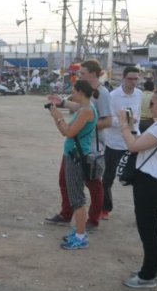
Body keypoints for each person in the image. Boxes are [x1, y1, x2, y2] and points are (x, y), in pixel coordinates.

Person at [119, 88, 157, 288]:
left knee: (148, 229)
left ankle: (147, 276)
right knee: (151, 227)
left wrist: (124, 126)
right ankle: (154, 268)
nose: (149, 106)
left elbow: (133, 146)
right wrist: (133, 127)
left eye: (152, 102)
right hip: (153, 181)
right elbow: (141, 143)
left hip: (151, 182)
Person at [45, 60, 111, 231]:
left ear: (94, 73)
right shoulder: (87, 98)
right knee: (66, 182)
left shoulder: (102, 94)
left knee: (92, 186)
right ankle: (66, 214)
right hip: (77, 147)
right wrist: (62, 103)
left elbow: (108, 120)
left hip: (90, 147)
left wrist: (83, 125)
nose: (79, 75)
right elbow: (81, 107)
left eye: (82, 73)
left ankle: (91, 220)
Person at [48, 80, 98, 250]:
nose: (72, 95)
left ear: (80, 92)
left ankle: (81, 236)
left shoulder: (86, 111)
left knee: (77, 198)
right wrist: (57, 110)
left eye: (74, 92)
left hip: (76, 158)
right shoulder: (84, 108)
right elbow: (67, 129)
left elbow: (68, 132)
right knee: (76, 197)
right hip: (74, 155)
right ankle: (79, 232)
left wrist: (58, 117)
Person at [100, 67, 142, 220]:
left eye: (136, 79)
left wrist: (134, 126)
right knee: (108, 177)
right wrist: (125, 121)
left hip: (134, 141)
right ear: (123, 78)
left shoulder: (139, 94)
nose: (133, 82)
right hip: (115, 142)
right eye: (130, 79)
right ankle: (105, 208)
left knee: (138, 178)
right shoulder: (113, 96)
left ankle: (141, 212)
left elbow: (137, 118)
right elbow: (109, 120)